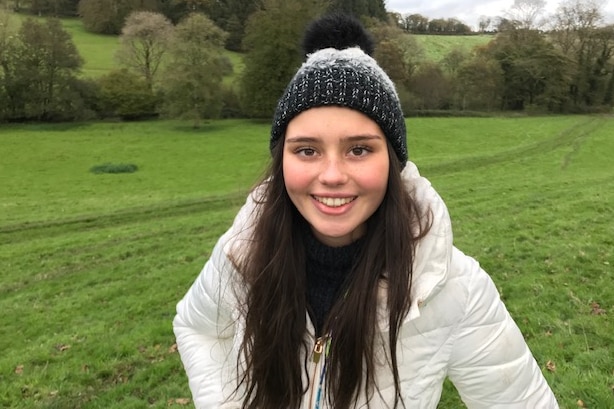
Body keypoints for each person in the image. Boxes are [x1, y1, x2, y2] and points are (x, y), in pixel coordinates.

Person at [172, 13, 559, 409]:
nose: (333, 175)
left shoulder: (451, 286)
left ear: (393, 162)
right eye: (307, 150)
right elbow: (197, 327)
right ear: (281, 159)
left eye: (359, 149)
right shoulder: (241, 256)